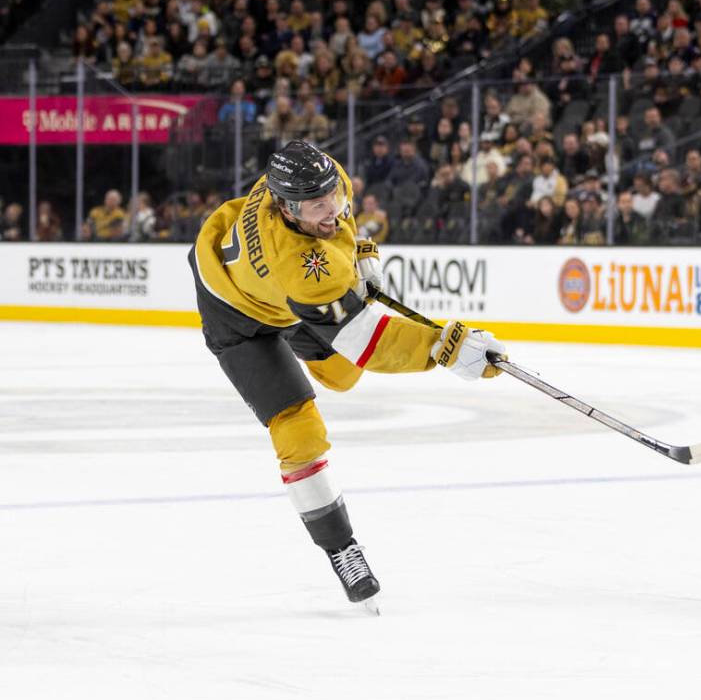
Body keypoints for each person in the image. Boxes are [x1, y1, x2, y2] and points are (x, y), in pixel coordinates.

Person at [188, 141, 506, 606]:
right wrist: (445, 347)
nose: (332, 209)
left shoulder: (323, 177)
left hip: (286, 296)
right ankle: (342, 548)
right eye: (318, 206)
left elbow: (345, 220)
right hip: (234, 314)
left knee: (342, 376)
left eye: (332, 196)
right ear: (286, 206)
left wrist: (359, 256)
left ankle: (310, 322)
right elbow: (368, 342)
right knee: (300, 431)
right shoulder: (298, 266)